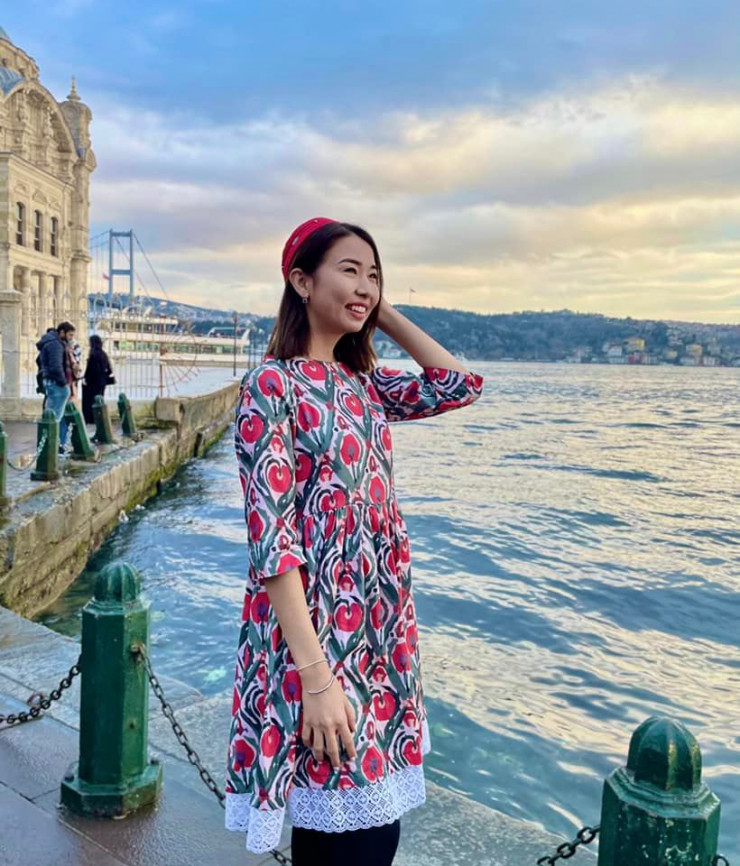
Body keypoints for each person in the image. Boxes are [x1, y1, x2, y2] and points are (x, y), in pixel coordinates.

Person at [226, 218, 484, 865]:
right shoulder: (272, 387)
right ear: (301, 280)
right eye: (349, 270)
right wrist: (315, 678)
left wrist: (378, 309)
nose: (365, 284)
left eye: (375, 274)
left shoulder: (362, 384)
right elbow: (273, 544)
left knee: (375, 830)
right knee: (349, 837)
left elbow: (458, 385)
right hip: (317, 642)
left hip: (377, 636)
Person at [36, 321, 76, 451]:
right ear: (62, 332)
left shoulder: (52, 342)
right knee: (55, 416)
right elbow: (55, 366)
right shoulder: (56, 345)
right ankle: (54, 446)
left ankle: (53, 445)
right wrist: (64, 383)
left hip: (51, 381)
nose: (71, 338)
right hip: (56, 383)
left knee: (52, 414)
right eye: (70, 335)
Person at [82, 335, 114, 425]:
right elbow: (109, 370)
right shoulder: (104, 354)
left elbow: (90, 370)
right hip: (102, 382)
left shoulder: (93, 354)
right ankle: (98, 417)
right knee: (99, 400)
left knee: (89, 401)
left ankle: (89, 419)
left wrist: (86, 379)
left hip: (92, 382)